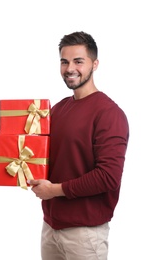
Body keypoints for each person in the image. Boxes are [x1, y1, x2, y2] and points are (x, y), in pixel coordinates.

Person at [26, 31, 129, 260]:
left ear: (95, 64)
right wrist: (10, 151)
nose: (70, 68)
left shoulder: (109, 114)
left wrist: (54, 191)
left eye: (78, 61)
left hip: (85, 234)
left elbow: (108, 177)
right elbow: (44, 157)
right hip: (50, 227)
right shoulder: (58, 109)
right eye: (64, 61)